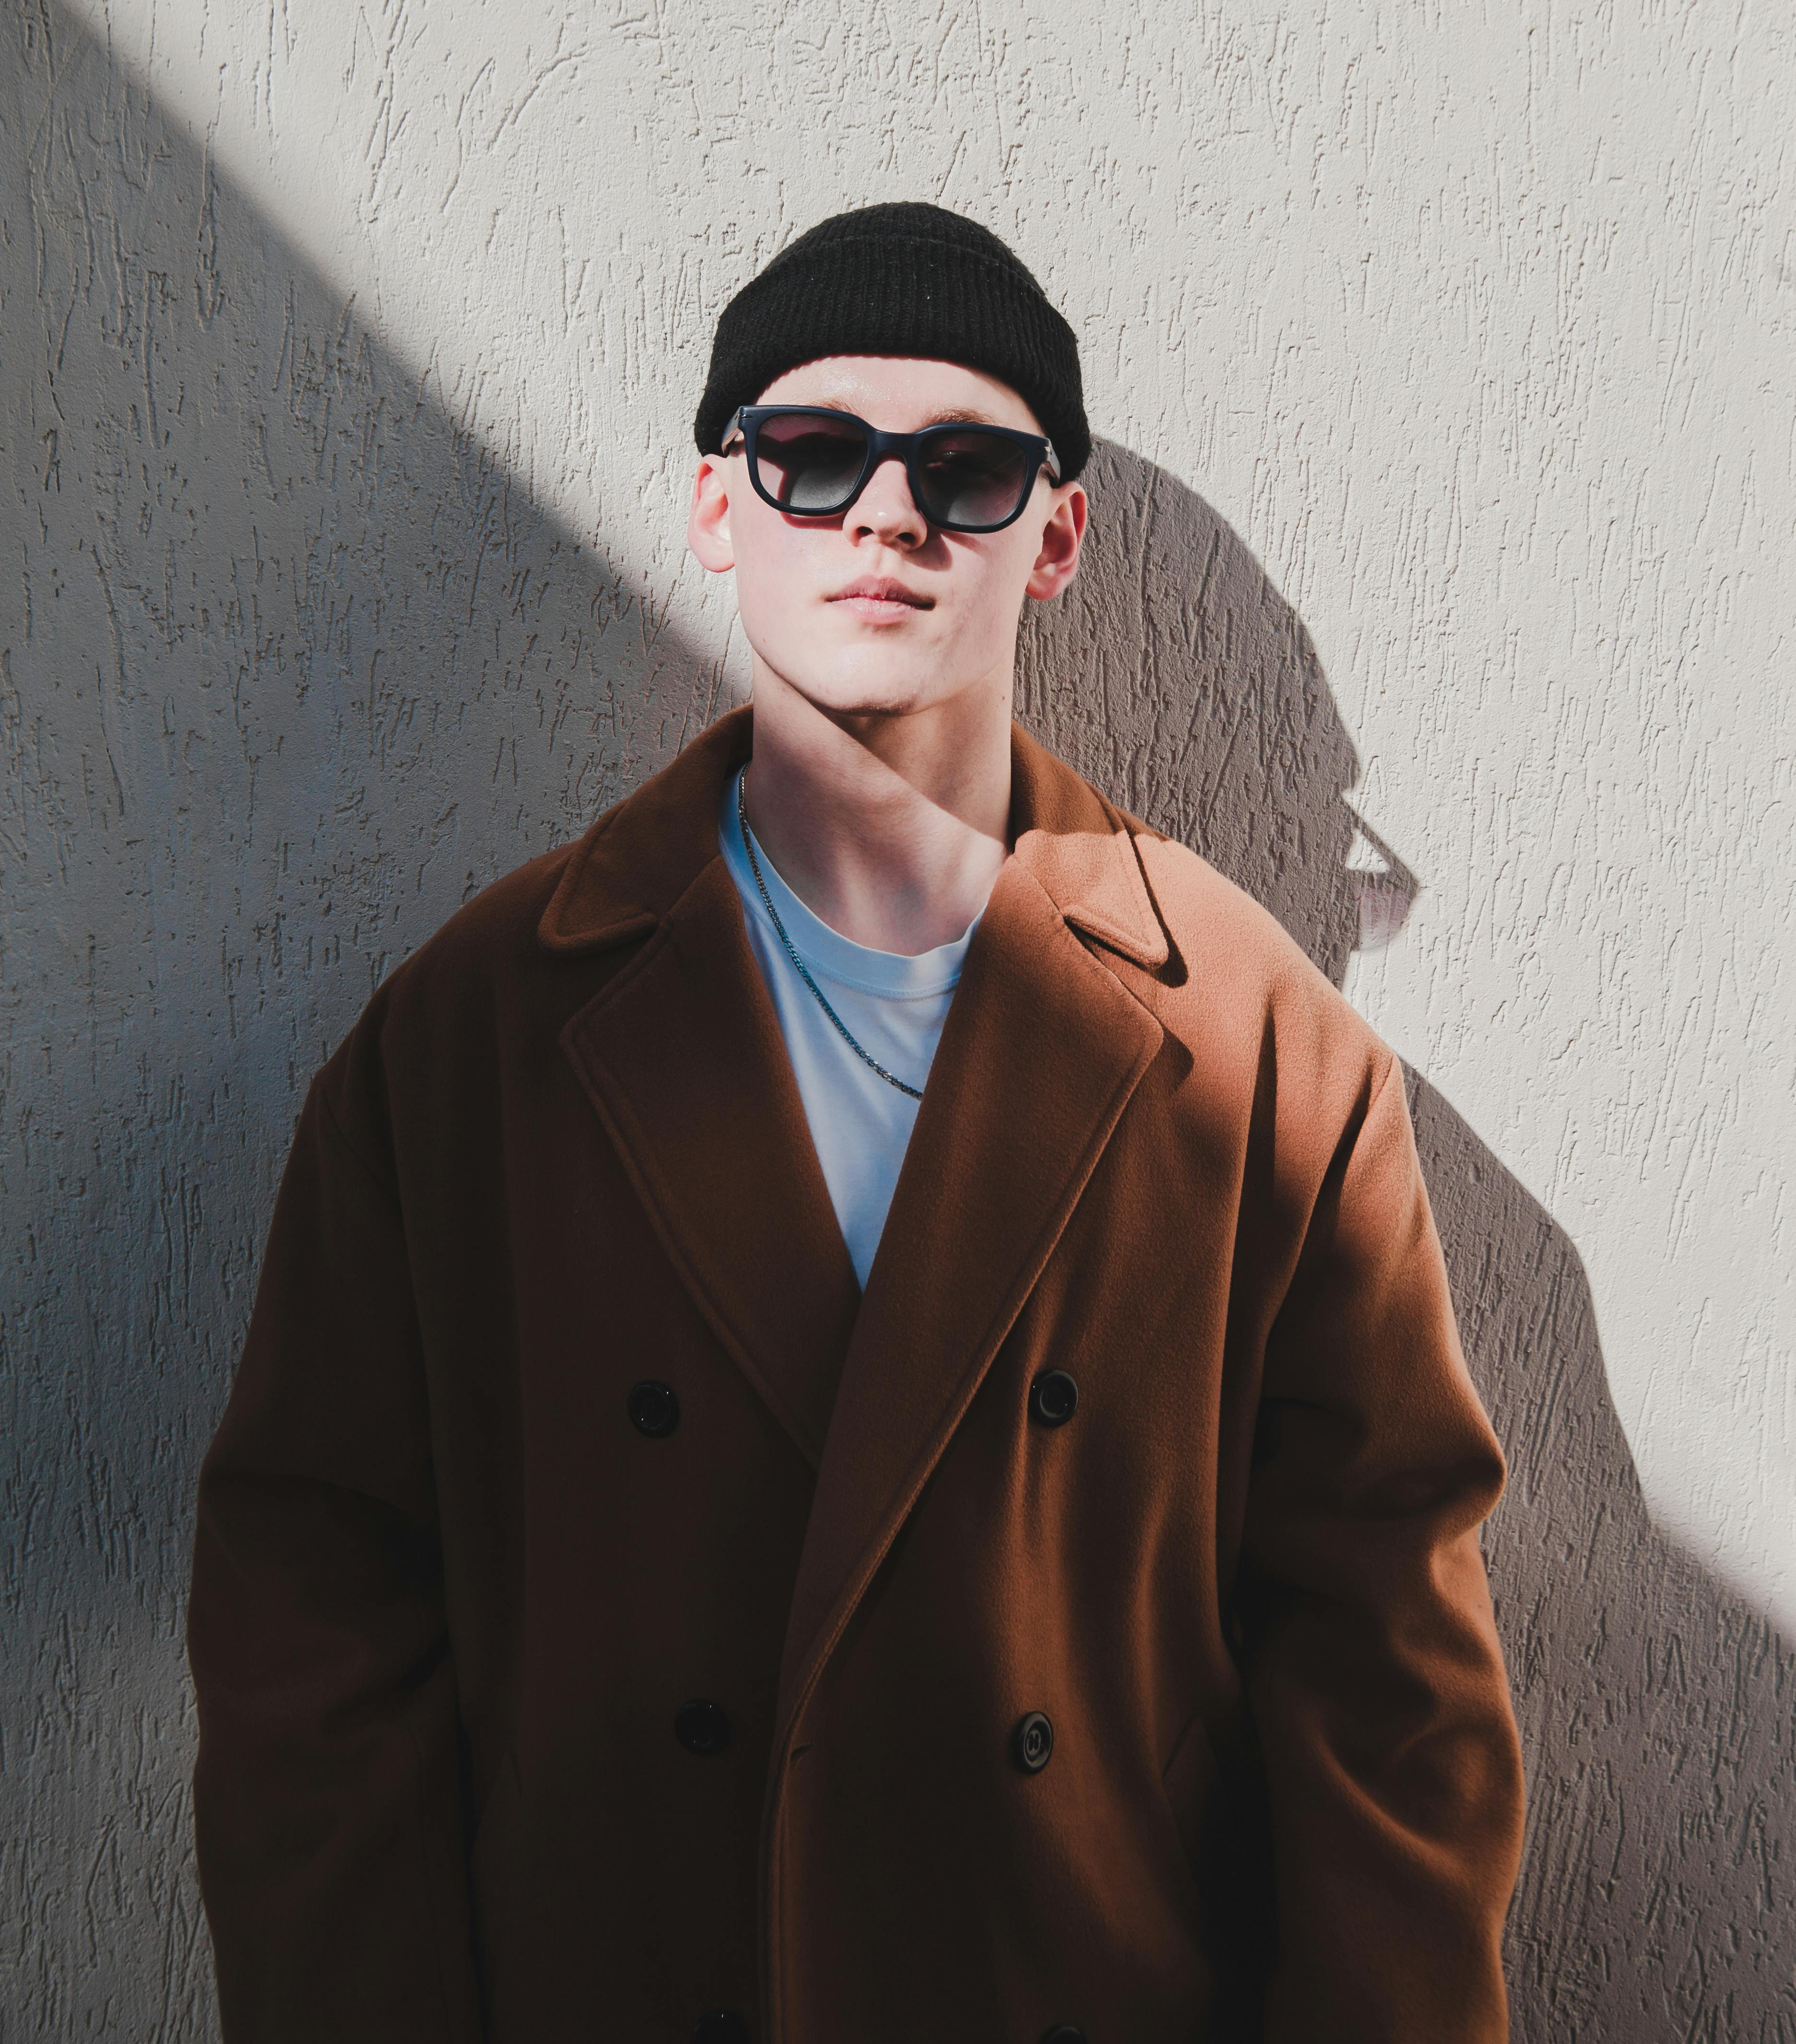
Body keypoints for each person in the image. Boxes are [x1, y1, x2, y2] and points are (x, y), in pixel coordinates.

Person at [188, 202, 1524, 2043]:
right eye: (814, 456)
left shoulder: (1261, 1047)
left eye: (966, 470)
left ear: (1055, 536)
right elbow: (319, 1621)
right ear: (717, 504)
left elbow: (1387, 1681)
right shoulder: (478, 1033)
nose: (887, 515)